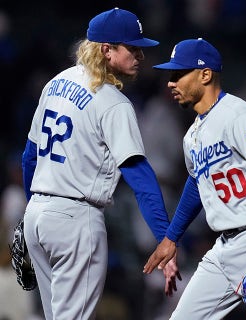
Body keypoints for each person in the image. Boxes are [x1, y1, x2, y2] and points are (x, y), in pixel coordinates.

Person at [20, 7, 179, 320]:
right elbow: (140, 177)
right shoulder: (114, 103)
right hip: (75, 221)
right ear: (107, 50)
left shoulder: (55, 83)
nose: (141, 56)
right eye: (132, 48)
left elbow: (29, 157)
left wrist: (32, 210)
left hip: (38, 216)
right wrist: (165, 236)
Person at [143, 38, 246, 319]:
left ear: (205, 74)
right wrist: (171, 238)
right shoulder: (192, 135)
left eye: (178, 74)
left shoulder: (238, 115)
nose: (171, 82)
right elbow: (197, 184)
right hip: (224, 246)